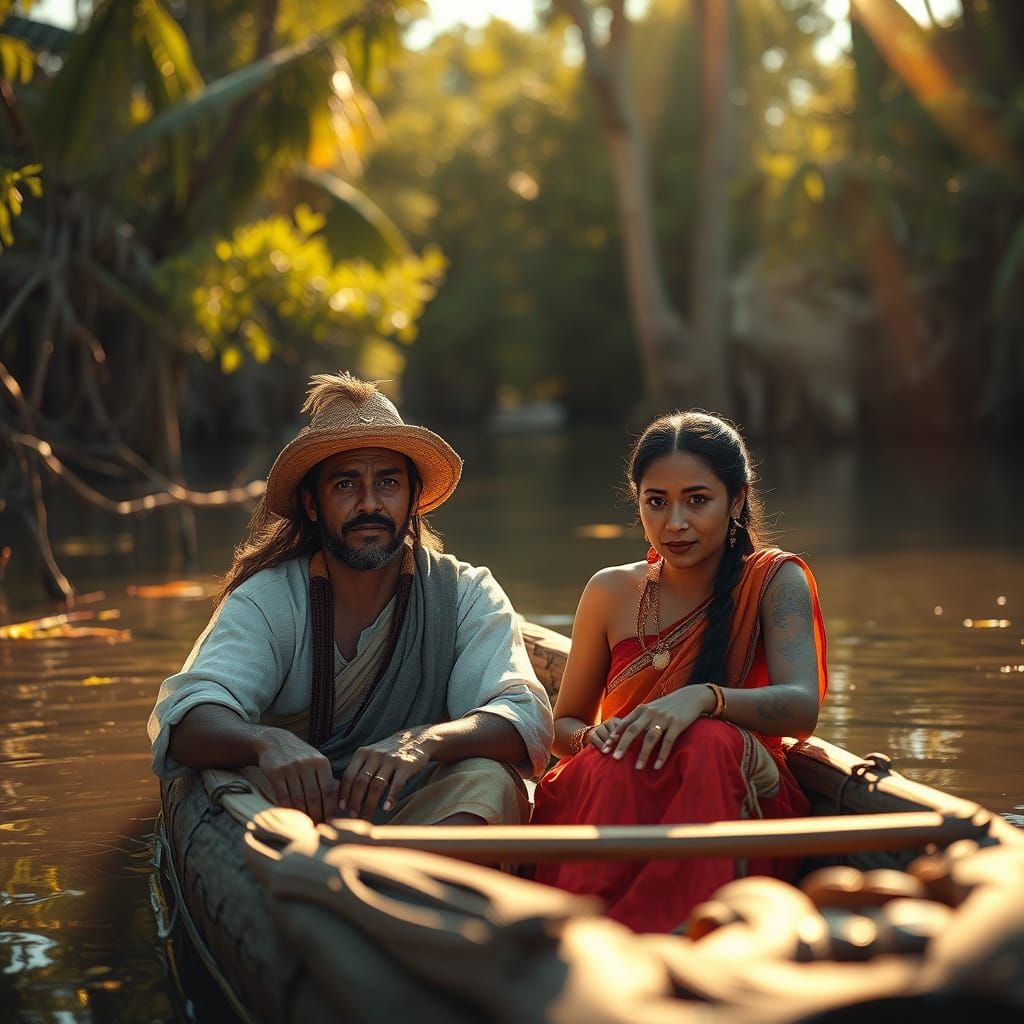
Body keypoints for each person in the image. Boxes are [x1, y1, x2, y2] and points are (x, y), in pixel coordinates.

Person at [148, 372, 553, 827]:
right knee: (232, 790)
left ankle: (413, 884)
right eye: (345, 484)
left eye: (388, 483)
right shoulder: (269, 599)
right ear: (312, 503)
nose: (369, 504)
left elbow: (522, 718)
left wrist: (426, 743)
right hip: (299, 813)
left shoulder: (463, 594)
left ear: (414, 497)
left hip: (418, 811)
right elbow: (187, 718)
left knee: (488, 781)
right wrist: (265, 742)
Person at [530, 410, 828, 932]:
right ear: (638, 503)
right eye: (656, 503)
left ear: (736, 500)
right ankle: (587, 930)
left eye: (697, 500)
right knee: (614, 761)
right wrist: (598, 739)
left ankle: (686, 926)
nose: (675, 523)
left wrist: (704, 700)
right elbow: (564, 726)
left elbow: (801, 709)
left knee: (708, 741)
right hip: (613, 790)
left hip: (735, 794)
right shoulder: (610, 590)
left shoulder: (775, 581)